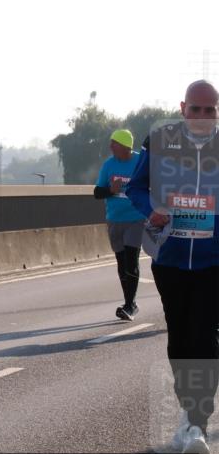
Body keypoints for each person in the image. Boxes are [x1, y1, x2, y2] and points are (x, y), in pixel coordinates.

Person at [127, 80, 218, 454]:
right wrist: (152, 212)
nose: (201, 117)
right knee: (180, 338)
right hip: (170, 257)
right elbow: (135, 188)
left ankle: (197, 423)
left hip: (214, 261)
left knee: (203, 334)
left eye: (209, 110)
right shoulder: (161, 142)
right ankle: (187, 410)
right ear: (182, 108)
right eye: (195, 109)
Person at [92, 129, 143, 320]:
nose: (110, 147)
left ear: (125, 146)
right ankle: (130, 302)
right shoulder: (109, 165)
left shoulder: (140, 162)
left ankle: (129, 305)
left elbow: (154, 183)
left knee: (132, 258)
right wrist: (110, 190)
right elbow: (97, 192)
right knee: (122, 263)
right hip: (115, 219)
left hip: (136, 218)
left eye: (114, 143)